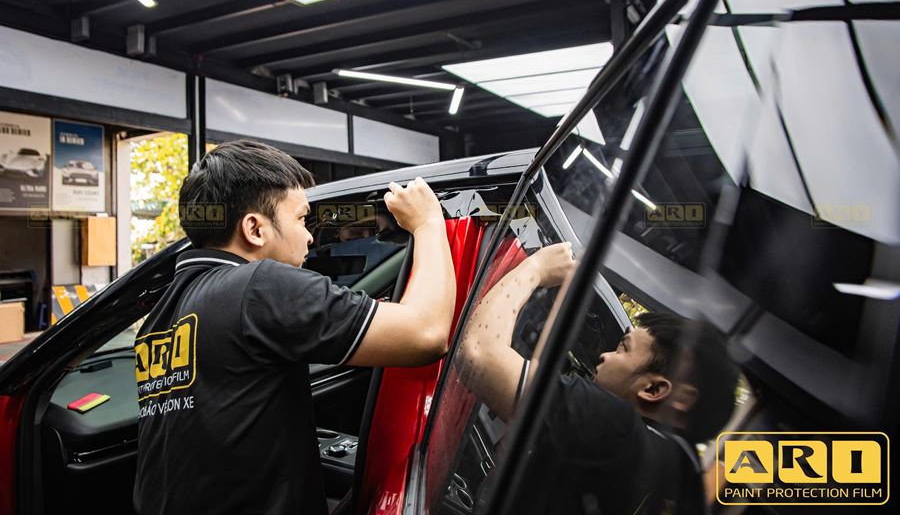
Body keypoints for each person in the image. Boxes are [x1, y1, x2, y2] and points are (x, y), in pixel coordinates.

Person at [133, 139, 456, 515]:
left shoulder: (159, 317)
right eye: (301, 219)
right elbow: (426, 334)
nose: (310, 236)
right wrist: (428, 223)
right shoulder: (261, 286)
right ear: (255, 229)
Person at [458, 243, 739, 514]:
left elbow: (477, 355)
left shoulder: (617, 426)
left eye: (623, 348)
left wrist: (537, 268)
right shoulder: (682, 482)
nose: (605, 355)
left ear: (654, 389)